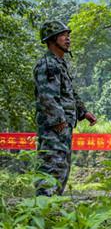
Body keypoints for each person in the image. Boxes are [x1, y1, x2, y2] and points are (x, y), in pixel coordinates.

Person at [34, 20, 97, 196]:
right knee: (51, 168)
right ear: (52, 39)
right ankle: (42, 211)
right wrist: (58, 120)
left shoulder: (59, 64)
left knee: (61, 168)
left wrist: (83, 112)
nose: (68, 38)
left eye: (68, 35)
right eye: (63, 35)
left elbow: (68, 93)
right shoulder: (48, 64)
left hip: (63, 127)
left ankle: (51, 211)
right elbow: (46, 95)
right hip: (54, 128)